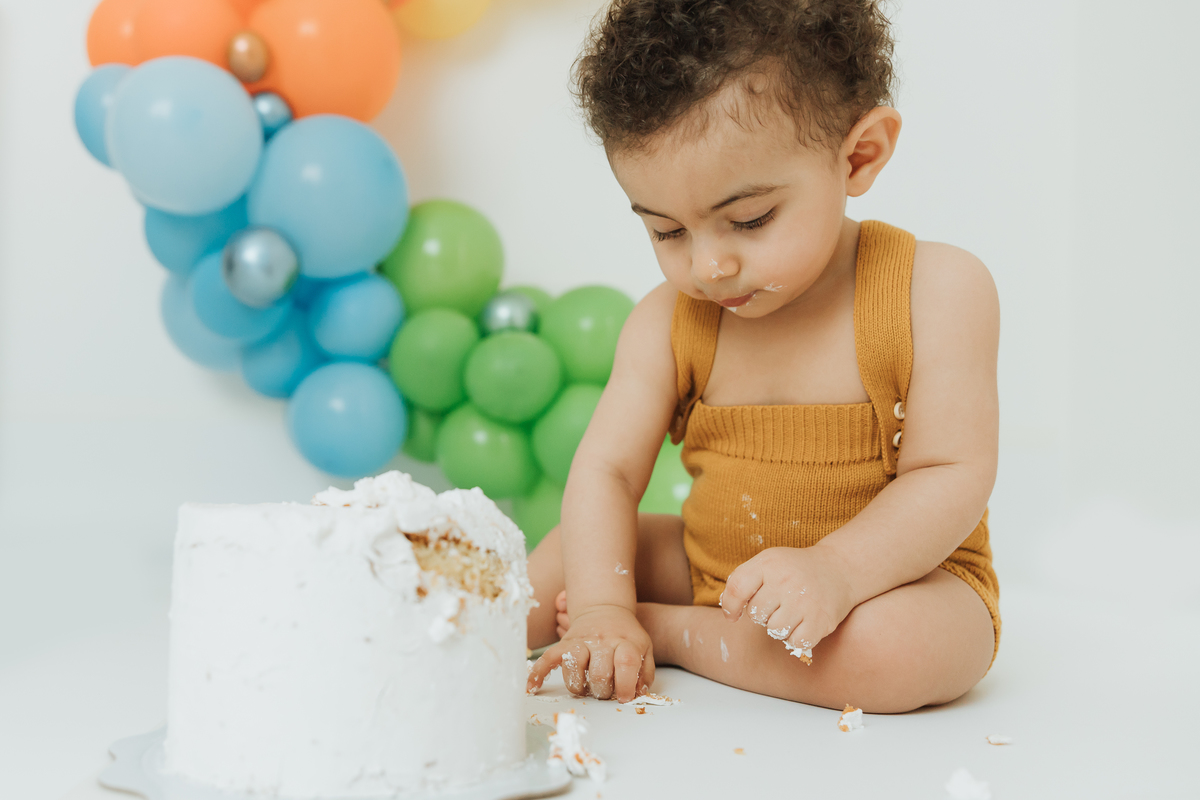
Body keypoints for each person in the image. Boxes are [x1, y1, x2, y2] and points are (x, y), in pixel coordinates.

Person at [525, 0, 1000, 714]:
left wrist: (837, 571)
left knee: (896, 650)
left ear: (859, 155)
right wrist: (598, 607)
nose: (708, 267)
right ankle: (447, 644)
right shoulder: (667, 322)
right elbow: (608, 472)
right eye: (667, 231)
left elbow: (951, 473)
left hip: (890, 583)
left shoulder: (934, 290)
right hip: (713, 569)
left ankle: (672, 634)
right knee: (567, 555)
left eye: (749, 220)